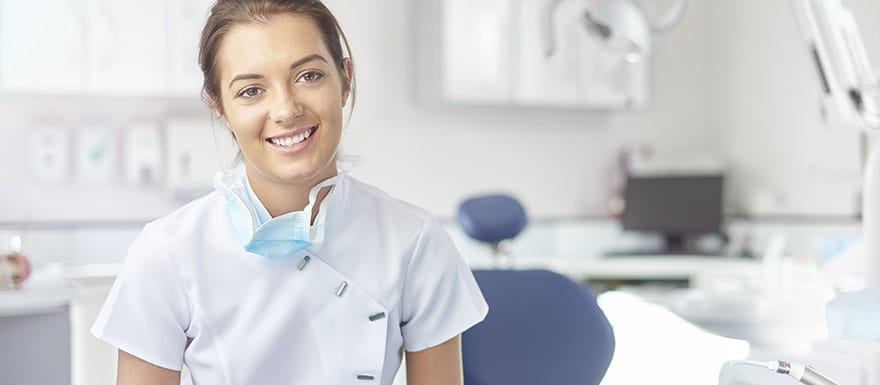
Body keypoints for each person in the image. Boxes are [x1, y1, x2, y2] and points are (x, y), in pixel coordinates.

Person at [90, 1, 488, 384]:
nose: (285, 109)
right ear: (219, 106)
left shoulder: (414, 241)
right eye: (251, 91)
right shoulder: (168, 253)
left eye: (309, 76)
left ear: (345, 79)